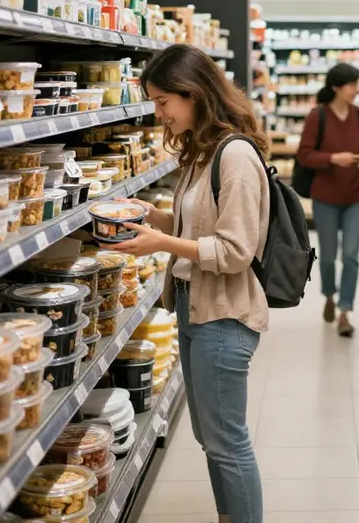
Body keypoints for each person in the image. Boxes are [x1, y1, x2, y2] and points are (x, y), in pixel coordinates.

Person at [110, 44, 268, 523]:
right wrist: (152, 216)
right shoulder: (202, 152)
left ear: (193, 94)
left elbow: (235, 251)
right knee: (211, 438)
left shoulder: (235, 155)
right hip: (194, 307)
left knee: (227, 443)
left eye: (163, 102)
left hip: (224, 316)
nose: (159, 114)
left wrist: (162, 242)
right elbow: (198, 222)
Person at [297, 62, 359, 336]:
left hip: (355, 196)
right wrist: (333, 158)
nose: (356, 90)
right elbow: (304, 155)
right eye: (351, 85)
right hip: (325, 197)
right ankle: (329, 295)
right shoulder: (317, 117)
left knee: (352, 255)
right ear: (336, 87)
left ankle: (345, 310)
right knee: (329, 257)